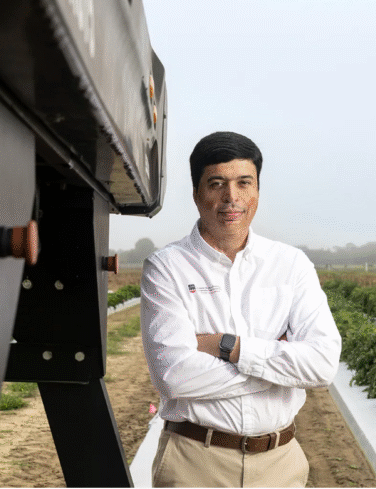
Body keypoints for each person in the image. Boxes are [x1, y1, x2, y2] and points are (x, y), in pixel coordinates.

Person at [140, 131, 341, 488]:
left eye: (243, 183)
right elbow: (173, 375)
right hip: (194, 462)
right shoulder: (167, 267)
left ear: (257, 191)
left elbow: (323, 365)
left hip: (280, 463)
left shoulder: (291, 264)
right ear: (196, 193)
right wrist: (282, 365)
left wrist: (227, 346)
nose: (231, 197)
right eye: (216, 183)